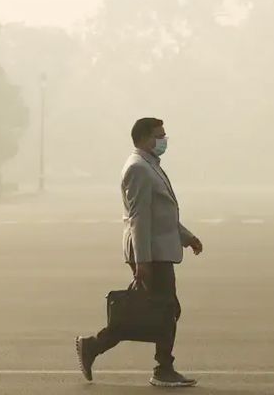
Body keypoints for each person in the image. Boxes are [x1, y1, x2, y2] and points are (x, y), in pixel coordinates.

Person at [76, 117, 203, 387]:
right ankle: (163, 368)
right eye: (160, 135)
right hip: (151, 254)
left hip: (158, 250)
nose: (164, 140)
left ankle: (94, 346)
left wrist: (187, 237)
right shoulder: (139, 169)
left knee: (155, 310)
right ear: (145, 138)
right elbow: (139, 219)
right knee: (165, 309)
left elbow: (161, 215)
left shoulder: (149, 166)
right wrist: (142, 260)